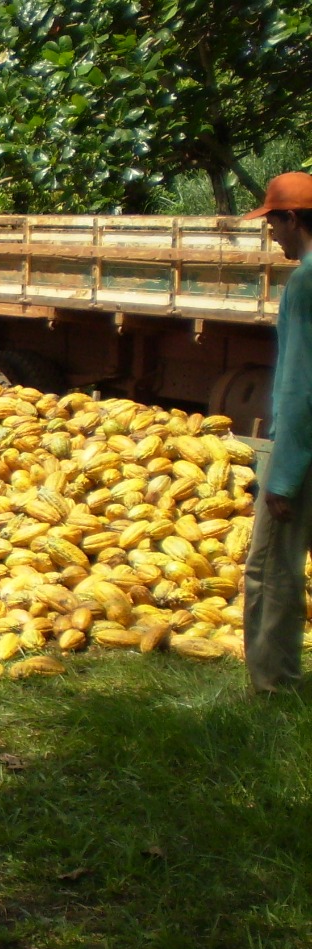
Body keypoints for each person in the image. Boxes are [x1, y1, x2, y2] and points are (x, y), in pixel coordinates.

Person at [243, 171, 312, 693]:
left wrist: (282, 474)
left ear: (293, 218)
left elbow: (299, 386)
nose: (272, 236)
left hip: (304, 455)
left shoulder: (306, 282)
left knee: (271, 570)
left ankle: (273, 688)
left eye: (273, 223)